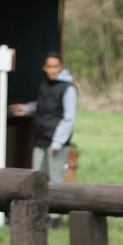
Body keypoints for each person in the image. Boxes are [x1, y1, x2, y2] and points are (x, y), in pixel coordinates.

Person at [16, 52, 77, 226]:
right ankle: (38, 214)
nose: (52, 70)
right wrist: (23, 108)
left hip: (55, 142)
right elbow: (41, 106)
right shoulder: (44, 85)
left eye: (55, 66)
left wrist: (57, 142)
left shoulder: (68, 88)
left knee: (55, 178)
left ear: (61, 67)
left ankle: (54, 216)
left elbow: (69, 117)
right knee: (37, 177)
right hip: (40, 139)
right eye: (49, 67)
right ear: (44, 68)